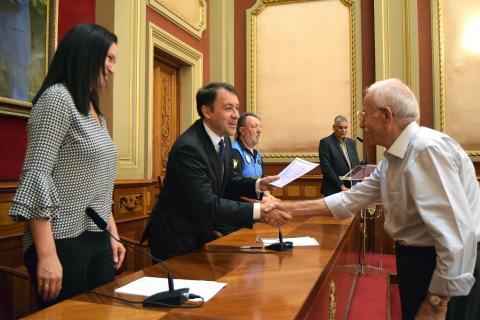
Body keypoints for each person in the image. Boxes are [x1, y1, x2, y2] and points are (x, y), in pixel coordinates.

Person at [266, 79, 480, 320]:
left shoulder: (426, 150)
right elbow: (351, 199)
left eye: (364, 114)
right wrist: (287, 207)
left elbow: (457, 235)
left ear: (386, 115)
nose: (360, 123)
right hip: (417, 262)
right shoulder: (393, 159)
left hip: (442, 270)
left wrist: (437, 302)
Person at [9, 24, 125, 307]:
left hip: (97, 236)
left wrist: (113, 234)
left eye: (114, 61)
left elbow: (101, 181)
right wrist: (47, 255)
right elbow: (37, 175)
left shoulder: (95, 109)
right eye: (109, 59)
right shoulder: (56, 99)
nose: (112, 68)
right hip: (60, 239)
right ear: (88, 54)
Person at [141, 82, 291, 260]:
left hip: (202, 232)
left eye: (237, 108)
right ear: (206, 111)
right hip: (176, 237)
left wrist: (258, 184)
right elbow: (206, 203)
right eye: (228, 108)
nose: (236, 115)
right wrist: (259, 210)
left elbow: (227, 181)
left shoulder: (225, 141)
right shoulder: (189, 148)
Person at [216, 112, 265, 235]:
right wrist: (259, 205)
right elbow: (233, 186)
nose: (259, 130)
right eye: (254, 126)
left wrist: (269, 199)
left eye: (260, 126)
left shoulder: (257, 153)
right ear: (242, 131)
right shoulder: (233, 152)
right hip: (239, 215)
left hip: (256, 212)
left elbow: (262, 182)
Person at [319, 115, 360, 196]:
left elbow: (356, 164)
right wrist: (341, 186)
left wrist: (357, 186)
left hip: (351, 189)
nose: (343, 130)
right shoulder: (326, 142)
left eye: (345, 127)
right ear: (334, 127)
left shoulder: (351, 143)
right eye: (340, 127)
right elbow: (326, 168)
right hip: (334, 189)